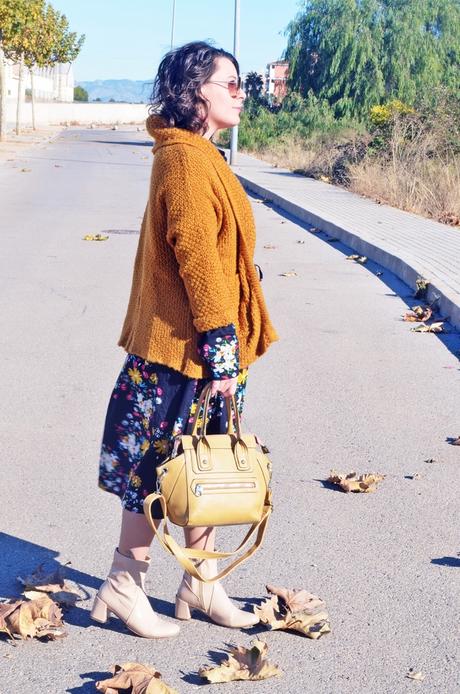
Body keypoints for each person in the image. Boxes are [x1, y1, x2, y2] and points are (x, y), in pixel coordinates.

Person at [91, 41, 278, 639]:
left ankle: (201, 582)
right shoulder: (184, 161)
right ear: (198, 91)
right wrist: (222, 351)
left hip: (206, 349)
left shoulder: (203, 155)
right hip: (182, 353)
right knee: (155, 469)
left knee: (209, 467)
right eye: (232, 83)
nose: (242, 91)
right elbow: (198, 261)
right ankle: (124, 583)